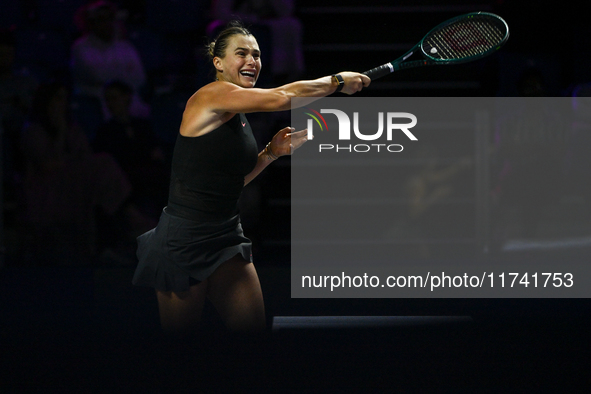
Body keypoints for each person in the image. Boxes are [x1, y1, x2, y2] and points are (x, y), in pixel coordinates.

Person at [132, 21, 370, 333]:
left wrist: (271, 153)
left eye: (256, 55)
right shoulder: (210, 97)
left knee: (253, 336)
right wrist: (337, 81)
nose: (252, 61)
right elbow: (282, 97)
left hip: (226, 235)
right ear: (218, 63)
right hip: (184, 239)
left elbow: (235, 181)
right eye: (241, 53)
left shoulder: (238, 112)